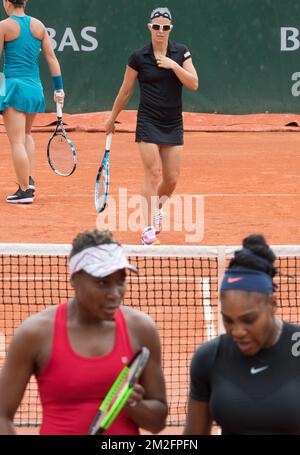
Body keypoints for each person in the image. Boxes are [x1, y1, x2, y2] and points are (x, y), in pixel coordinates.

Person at [0, 229, 168, 435]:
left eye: (121, 281)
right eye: (102, 283)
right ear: (74, 280)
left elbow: (158, 422)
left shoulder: (142, 329)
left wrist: (133, 404)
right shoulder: (35, 334)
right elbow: (2, 414)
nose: (115, 294)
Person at [184, 234, 300, 435]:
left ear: (272, 305)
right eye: (228, 320)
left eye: (249, 320)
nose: (237, 332)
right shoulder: (208, 357)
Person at [105, 7, 198, 245]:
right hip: (147, 120)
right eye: (156, 26)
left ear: (170, 29)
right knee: (153, 174)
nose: (160, 31)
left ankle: (157, 208)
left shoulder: (181, 52)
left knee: (172, 178)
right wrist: (112, 118)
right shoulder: (138, 57)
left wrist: (173, 65)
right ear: (150, 28)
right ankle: (147, 229)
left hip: (173, 122)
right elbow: (125, 90)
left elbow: (194, 83)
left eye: (165, 27)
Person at [0, 0, 65, 204]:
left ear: (7, 2)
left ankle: (24, 191)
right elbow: (52, 58)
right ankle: (27, 179)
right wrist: (59, 87)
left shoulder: (4, 26)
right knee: (26, 134)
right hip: (35, 88)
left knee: (17, 140)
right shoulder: (39, 26)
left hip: (14, 88)